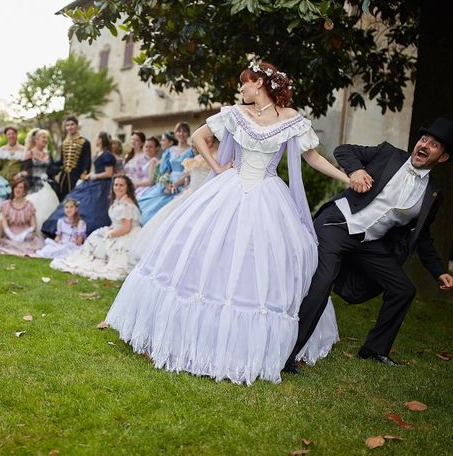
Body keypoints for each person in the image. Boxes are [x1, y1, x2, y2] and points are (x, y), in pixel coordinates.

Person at [105, 60, 350, 385]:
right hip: (229, 188)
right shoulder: (235, 114)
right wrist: (217, 169)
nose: (242, 88)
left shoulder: (291, 119)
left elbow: (313, 157)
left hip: (267, 195)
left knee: (259, 261)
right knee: (207, 252)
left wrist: (346, 177)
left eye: (246, 82)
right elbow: (198, 137)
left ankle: (249, 347)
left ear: (260, 83)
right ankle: (186, 335)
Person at [284, 118, 453, 374]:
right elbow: (345, 150)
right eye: (424, 139)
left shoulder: (432, 193)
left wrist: (439, 271)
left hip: (368, 241)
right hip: (338, 224)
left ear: (442, 158)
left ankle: (375, 349)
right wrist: (355, 170)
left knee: (403, 289)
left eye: (435, 144)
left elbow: (423, 237)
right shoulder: (389, 155)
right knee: (323, 280)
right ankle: (288, 355)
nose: (425, 145)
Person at [129, 133, 218, 266]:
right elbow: (188, 179)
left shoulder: (218, 156)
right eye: (205, 138)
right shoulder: (195, 159)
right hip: (189, 194)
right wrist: (177, 186)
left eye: (210, 137)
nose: (207, 140)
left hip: (206, 195)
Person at [51, 175, 141, 281]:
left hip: (126, 235)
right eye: (116, 185)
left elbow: (126, 228)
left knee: (107, 249)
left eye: (121, 185)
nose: (118, 188)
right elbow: (118, 222)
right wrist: (110, 229)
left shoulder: (127, 205)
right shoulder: (119, 200)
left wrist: (111, 234)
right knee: (95, 238)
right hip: (117, 230)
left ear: (127, 187)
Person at [42, 132, 116, 238]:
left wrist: (93, 176)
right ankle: (60, 228)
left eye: (97, 138)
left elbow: (109, 173)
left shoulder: (107, 155)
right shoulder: (99, 153)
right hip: (93, 182)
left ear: (101, 140)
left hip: (103, 186)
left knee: (94, 209)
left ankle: (85, 232)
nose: (96, 140)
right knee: (75, 200)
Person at [137, 122, 195, 225]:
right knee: (147, 201)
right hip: (168, 182)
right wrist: (166, 182)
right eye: (179, 131)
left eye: (184, 131)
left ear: (188, 134)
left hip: (183, 182)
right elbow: (167, 170)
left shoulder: (192, 150)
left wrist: (176, 184)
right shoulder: (170, 151)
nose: (181, 133)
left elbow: (190, 171)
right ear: (175, 133)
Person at [19, 129, 59, 231]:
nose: (45, 139)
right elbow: (24, 171)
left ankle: (48, 230)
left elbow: (52, 170)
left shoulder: (48, 154)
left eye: (46, 137)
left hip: (47, 184)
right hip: (33, 185)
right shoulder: (30, 153)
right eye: (43, 137)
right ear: (36, 140)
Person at [0, 178, 44, 257]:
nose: (17, 189)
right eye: (16, 187)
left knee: (30, 237)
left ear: (24, 191)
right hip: (11, 232)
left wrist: (23, 235)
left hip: (25, 234)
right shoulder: (6, 204)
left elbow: (34, 225)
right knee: (9, 242)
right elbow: (4, 224)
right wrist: (11, 236)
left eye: (20, 187)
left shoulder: (29, 205)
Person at [55, 115, 91, 199]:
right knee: (62, 198)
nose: (70, 127)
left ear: (77, 126)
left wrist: (84, 174)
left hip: (76, 176)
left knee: (75, 199)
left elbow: (87, 160)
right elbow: (61, 160)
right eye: (67, 125)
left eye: (72, 124)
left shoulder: (84, 142)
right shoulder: (64, 143)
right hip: (64, 176)